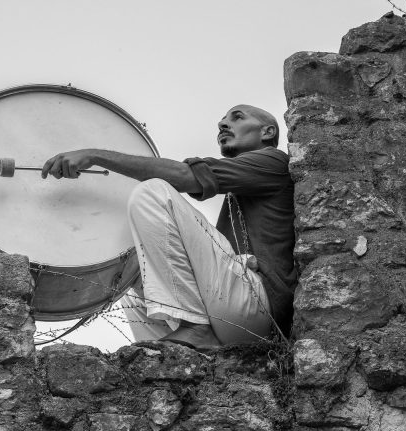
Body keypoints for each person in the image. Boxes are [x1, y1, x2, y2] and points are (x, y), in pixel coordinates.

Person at [41, 105, 297, 351]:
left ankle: (193, 326)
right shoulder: (248, 180)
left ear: (267, 132)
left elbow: (185, 176)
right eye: (223, 119)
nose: (222, 123)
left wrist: (94, 156)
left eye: (237, 117)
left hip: (259, 310)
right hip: (235, 319)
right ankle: (172, 355)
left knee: (153, 191)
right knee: (133, 273)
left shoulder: (272, 161)